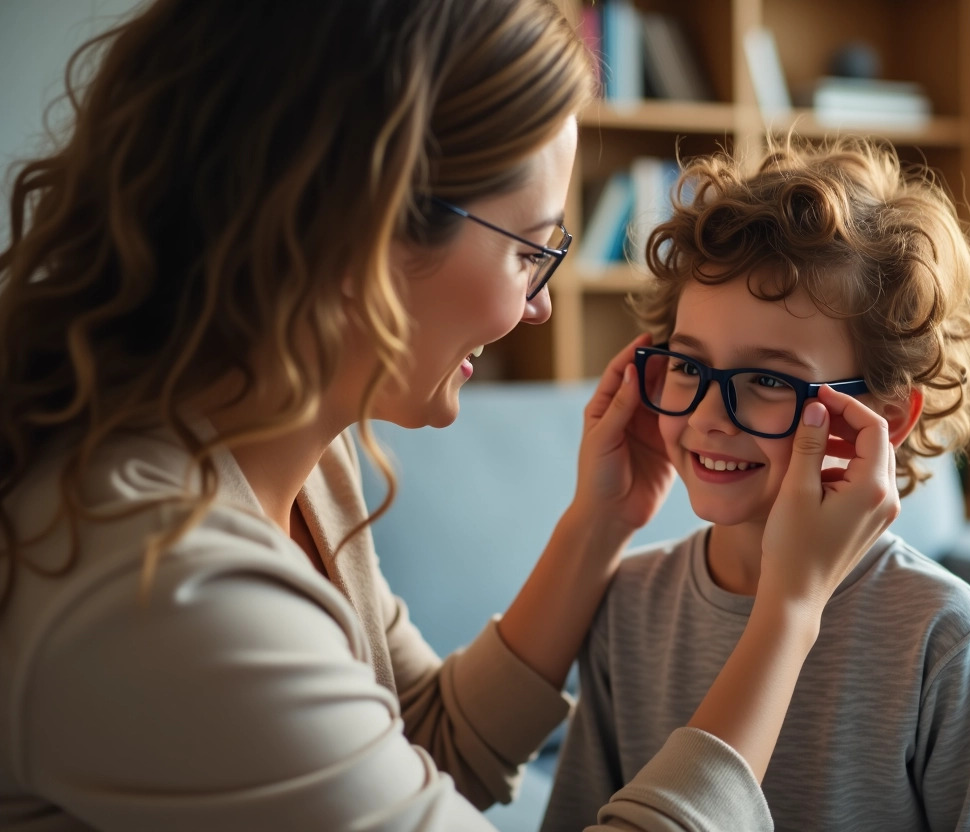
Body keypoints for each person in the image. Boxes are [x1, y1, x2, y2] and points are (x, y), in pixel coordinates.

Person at [0, 2, 904, 830]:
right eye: (532, 250)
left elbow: (418, 745)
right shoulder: (163, 585)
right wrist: (789, 611)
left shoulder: (293, 454)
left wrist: (599, 525)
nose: (539, 308)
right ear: (364, 227)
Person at [541, 137, 970, 832]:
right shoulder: (627, 604)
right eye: (688, 366)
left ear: (884, 417)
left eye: (770, 380)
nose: (710, 417)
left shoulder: (941, 633)